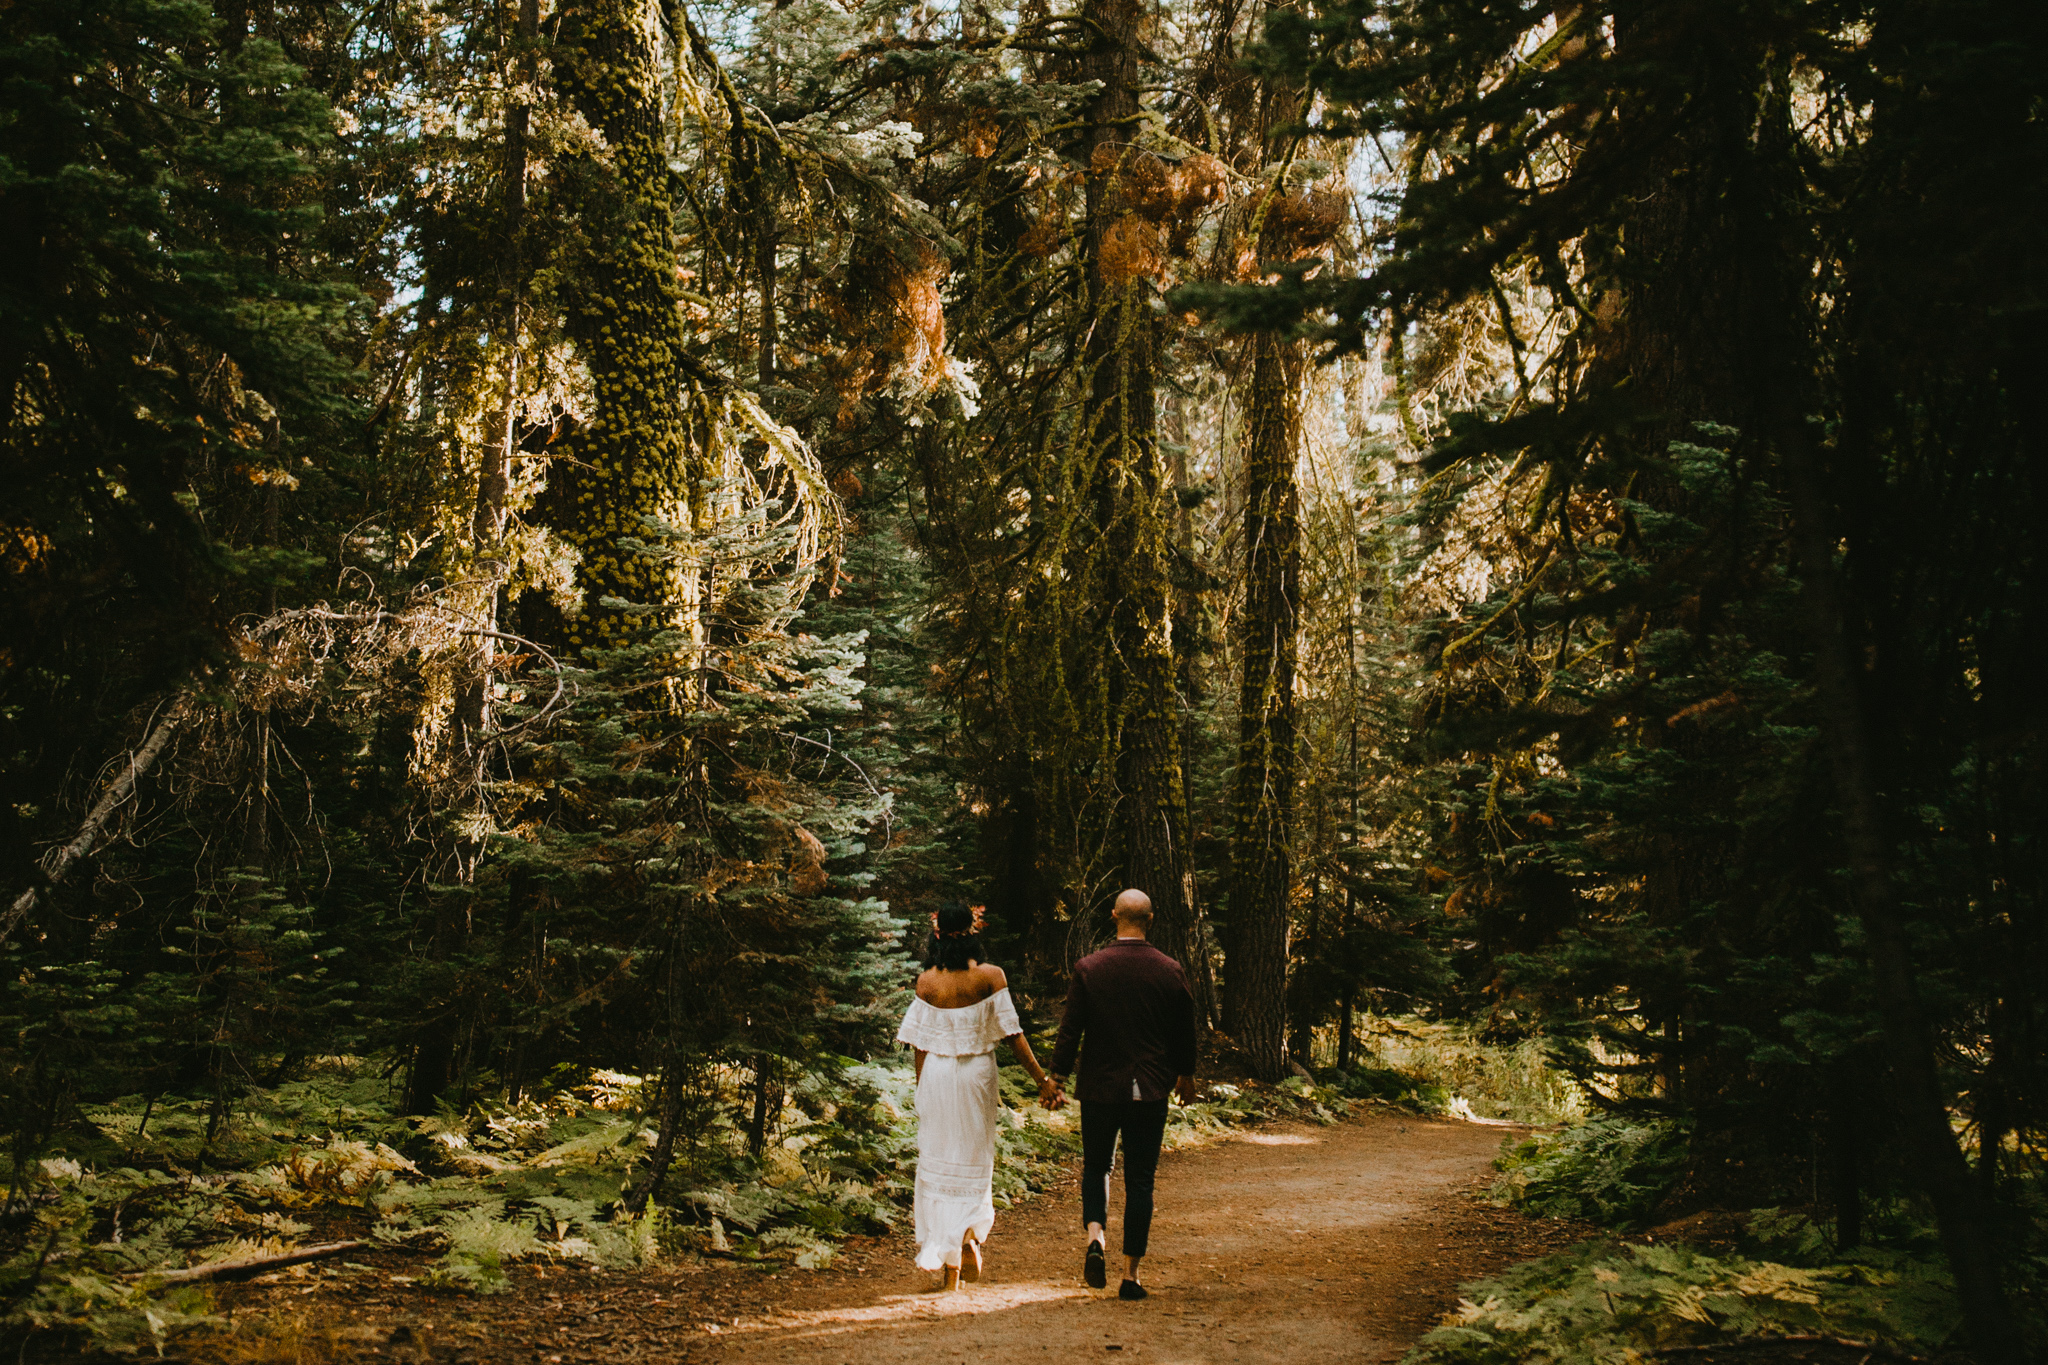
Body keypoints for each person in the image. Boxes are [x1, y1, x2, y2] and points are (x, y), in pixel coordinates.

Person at [1042, 888, 1199, 1301]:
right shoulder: (1169, 970)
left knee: (1097, 1167)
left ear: (1113, 916)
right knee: (1141, 1180)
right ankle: (1131, 1275)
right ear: (1151, 919)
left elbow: (1070, 1028)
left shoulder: (1090, 968)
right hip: (1149, 1088)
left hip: (1099, 1087)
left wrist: (1055, 1075)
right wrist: (1186, 1074)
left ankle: (1096, 1236)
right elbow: (1185, 1029)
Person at [895, 901, 1060, 1290]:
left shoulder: (926, 982)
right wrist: (1041, 1080)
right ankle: (968, 1237)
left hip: (936, 1075)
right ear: (973, 931)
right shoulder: (990, 976)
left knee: (937, 1161)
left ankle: (950, 1265)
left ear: (937, 934)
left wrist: (922, 1091)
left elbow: (920, 1044)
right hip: (976, 1077)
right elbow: (1013, 1034)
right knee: (974, 1162)